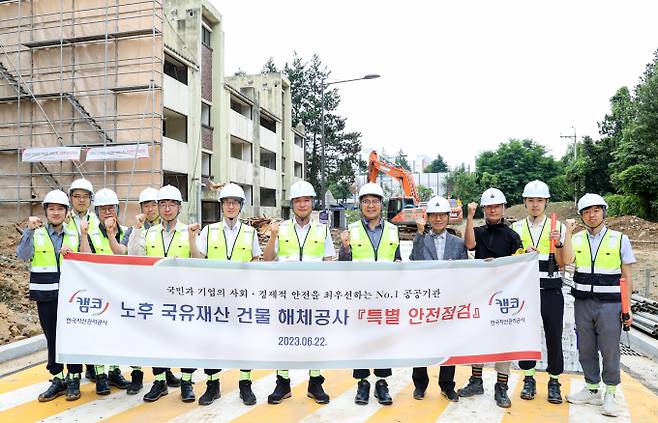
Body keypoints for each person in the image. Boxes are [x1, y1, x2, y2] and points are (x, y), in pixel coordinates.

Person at [128, 185, 202, 403]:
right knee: (155, 340)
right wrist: (137, 229)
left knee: (186, 341)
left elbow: (198, 262)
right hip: (155, 296)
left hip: (183, 297)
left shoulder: (189, 230)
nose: (167, 209)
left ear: (179, 207)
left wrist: (191, 239)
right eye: (163, 204)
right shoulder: (149, 233)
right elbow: (135, 257)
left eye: (172, 204)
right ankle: (159, 381)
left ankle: (186, 382)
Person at [263, 180, 333, 405]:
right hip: (286, 295)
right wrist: (272, 235)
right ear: (291, 204)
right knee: (282, 338)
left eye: (306, 200)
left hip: (314, 296)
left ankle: (315, 383)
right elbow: (267, 260)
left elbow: (329, 261)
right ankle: (282, 383)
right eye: (298, 201)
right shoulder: (281, 228)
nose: (302, 204)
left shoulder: (322, 230)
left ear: (312, 203)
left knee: (315, 338)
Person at [564, 193, 635, 417]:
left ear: (604, 212)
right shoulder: (576, 239)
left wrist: (627, 307)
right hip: (583, 302)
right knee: (585, 348)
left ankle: (610, 393)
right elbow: (566, 261)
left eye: (595, 210)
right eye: (586, 211)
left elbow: (627, 275)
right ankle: (592, 388)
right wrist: (567, 232)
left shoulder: (619, 239)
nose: (591, 215)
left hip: (610, 305)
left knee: (610, 349)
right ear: (582, 216)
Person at [192, 183, 262, 406]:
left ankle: (245, 384)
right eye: (226, 202)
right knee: (211, 342)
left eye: (235, 202)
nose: (230, 206)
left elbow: (256, 261)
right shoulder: (208, 230)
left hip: (241, 298)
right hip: (214, 298)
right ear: (221, 206)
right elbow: (198, 259)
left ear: (241, 206)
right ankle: (212, 384)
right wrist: (192, 239)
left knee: (244, 342)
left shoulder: (250, 232)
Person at [458, 188, 522, 408]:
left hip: (504, 298)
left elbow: (519, 263)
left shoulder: (512, 236)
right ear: (484, 210)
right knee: (477, 337)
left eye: (497, 206)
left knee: (503, 340)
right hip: (480, 293)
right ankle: (476, 380)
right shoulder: (479, 231)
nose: (493, 210)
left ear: (503, 208)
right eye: (489, 207)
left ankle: (501, 386)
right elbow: (469, 245)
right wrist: (468, 216)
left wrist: (527, 254)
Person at [16, 190, 82, 401]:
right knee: (52, 337)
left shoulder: (74, 234)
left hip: (70, 296)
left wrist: (73, 253)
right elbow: (23, 255)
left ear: (66, 212)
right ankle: (58, 378)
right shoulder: (37, 234)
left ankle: (73, 378)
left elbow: (85, 259)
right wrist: (27, 230)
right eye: (51, 209)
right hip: (46, 296)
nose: (55, 213)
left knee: (71, 337)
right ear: (46, 212)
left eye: (60, 209)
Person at [339, 182, 401, 406]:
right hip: (359, 298)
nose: (371, 205)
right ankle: (363, 383)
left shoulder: (393, 230)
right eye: (366, 201)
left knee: (383, 340)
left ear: (381, 205)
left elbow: (398, 260)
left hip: (385, 297)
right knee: (362, 340)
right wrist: (345, 247)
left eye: (375, 201)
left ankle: (382, 383)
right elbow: (342, 266)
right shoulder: (352, 230)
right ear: (360, 205)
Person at [511, 180, 567, 404]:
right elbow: (511, 262)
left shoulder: (558, 228)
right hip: (526, 291)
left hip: (551, 290)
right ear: (525, 202)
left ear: (547, 202)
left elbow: (563, 263)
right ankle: (529, 378)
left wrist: (560, 244)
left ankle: (554, 381)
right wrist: (523, 252)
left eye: (540, 200)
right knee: (527, 335)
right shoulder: (516, 228)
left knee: (554, 335)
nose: (535, 204)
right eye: (531, 200)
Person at [410, 195, 467, 403]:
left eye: (442, 215)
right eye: (433, 215)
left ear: (448, 216)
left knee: (448, 344)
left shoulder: (458, 243)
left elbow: (464, 270)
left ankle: (447, 385)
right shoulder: (422, 239)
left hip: (449, 301)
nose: (438, 219)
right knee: (421, 343)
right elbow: (414, 260)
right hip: (426, 300)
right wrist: (418, 233)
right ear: (428, 217)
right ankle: (420, 384)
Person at [125, 186, 180, 394]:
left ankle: (165, 373)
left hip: (173, 292)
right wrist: (137, 229)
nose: (150, 209)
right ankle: (138, 375)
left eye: (152, 205)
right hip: (147, 291)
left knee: (167, 336)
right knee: (144, 335)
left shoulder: (177, 229)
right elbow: (131, 254)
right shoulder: (138, 230)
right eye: (146, 205)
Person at [78, 188, 131, 395]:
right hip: (97, 292)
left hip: (119, 292)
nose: (108, 212)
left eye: (111, 208)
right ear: (97, 212)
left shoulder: (127, 231)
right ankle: (100, 375)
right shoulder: (89, 232)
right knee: (98, 334)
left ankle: (115, 371)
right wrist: (83, 236)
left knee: (117, 334)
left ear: (117, 209)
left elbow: (125, 255)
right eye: (103, 209)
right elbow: (85, 257)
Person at [64, 177, 100, 383]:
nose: (80, 200)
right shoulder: (64, 220)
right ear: (71, 198)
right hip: (70, 283)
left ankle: (94, 367)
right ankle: (73, 372)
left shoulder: (97, 221)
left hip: (93, 281)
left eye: (85, 196)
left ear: (90, 199)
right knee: (74, 328)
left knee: (93, 325)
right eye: (76, 196)